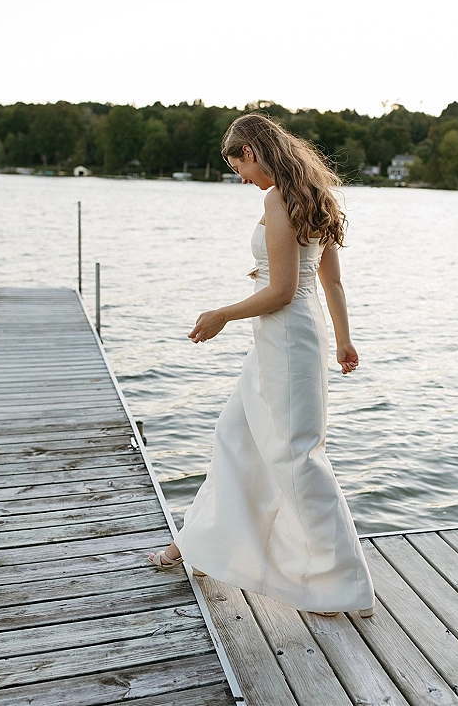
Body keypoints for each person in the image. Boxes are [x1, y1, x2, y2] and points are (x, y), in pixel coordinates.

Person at [149, 114, 375, 618]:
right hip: (288, 337)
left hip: (288, 339)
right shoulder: (315, 194)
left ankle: (341, 585)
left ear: (251, 150)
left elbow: (281, 291)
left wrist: (221, 315)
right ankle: (197, 548)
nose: (242, 178)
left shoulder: (278, 199)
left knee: (299, 458)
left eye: (238, 167)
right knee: (235, 440)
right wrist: (342, 339)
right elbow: (330, 284)